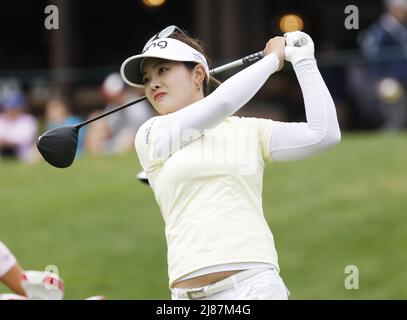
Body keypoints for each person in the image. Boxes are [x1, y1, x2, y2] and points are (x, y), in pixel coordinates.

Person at [120, 26, 341, 300]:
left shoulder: (248, 130)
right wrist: (272, 60)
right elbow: (223, 102)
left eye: (163, 70)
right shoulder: (152, 134)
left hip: (254, 288)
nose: (152, 84)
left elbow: (324, 134)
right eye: (146, 77)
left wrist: (305, 62)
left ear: (198, 74)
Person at [357, 0, 407, 129]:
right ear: (393, 9)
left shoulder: (401, 28)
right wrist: (378, 79)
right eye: (402, 8)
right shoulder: (381, 30)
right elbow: (371, 56)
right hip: (389, 79)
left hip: (403, 77)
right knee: (395, 115)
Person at [86, 73, 154, 154]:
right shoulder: (112, 105)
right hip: (115, 140)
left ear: (121, 92)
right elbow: (107, 128)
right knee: (95, 118)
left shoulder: (137, 106)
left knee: (127, 137)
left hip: (136, 141)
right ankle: (94, 157)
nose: (110, 98)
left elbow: (143, 133)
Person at [0, 91, 38, 162]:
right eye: (9, 108)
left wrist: (7, 142)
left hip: (23, 153)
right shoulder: (1, 119)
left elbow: (26, 140)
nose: (11, 111)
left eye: (14, 108)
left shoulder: (29, 120)